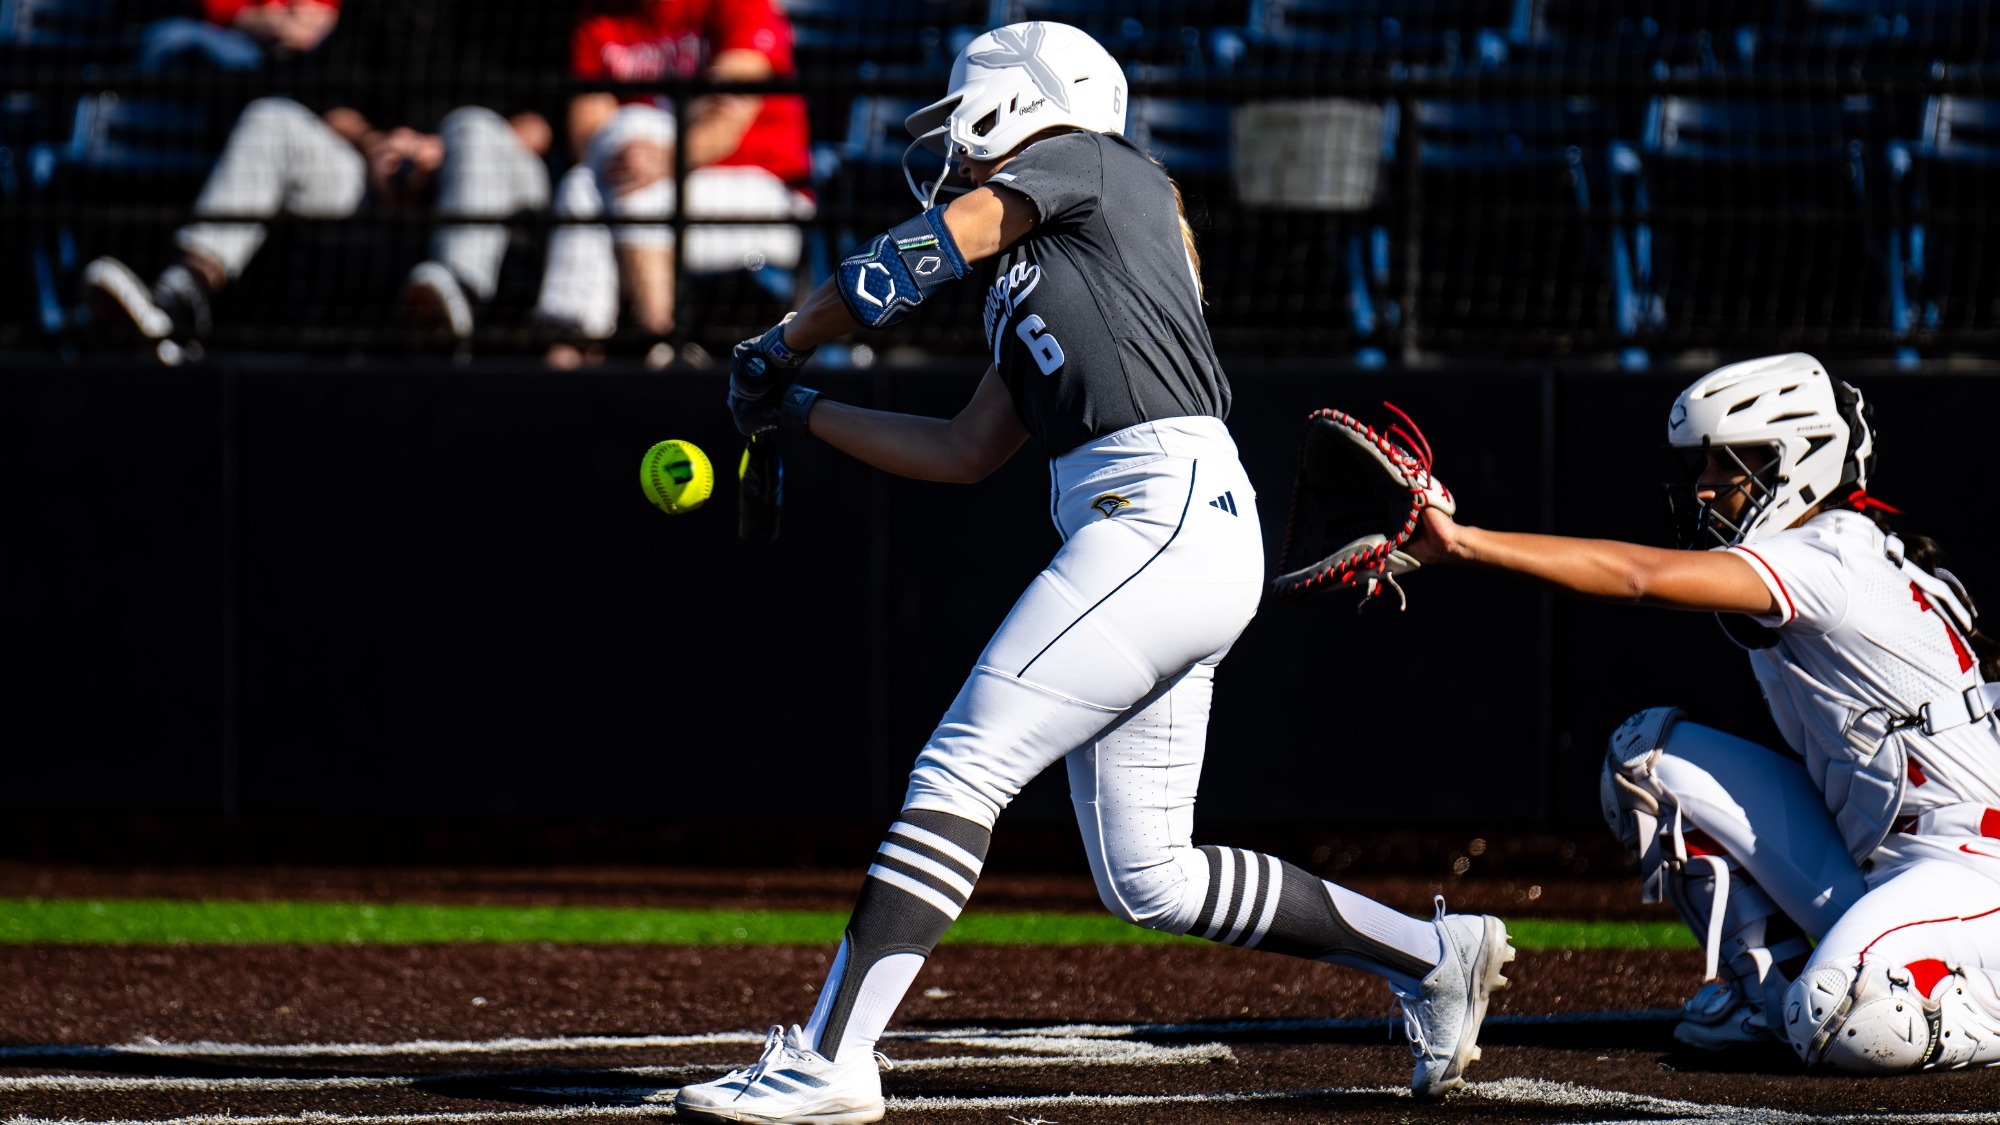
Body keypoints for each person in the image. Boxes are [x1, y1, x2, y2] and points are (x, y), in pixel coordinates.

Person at [670, 22, 1514, 1124]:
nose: (958, 153)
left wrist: (784, 340)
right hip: (1166, 528)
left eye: (970, 120)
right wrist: (803, 411)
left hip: (1156, 515)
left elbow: (917, 256)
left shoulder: (1092, 161)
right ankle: (1432, 954)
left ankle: (833, 1058)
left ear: (1022, 101)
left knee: (961, 769)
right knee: (1149, 877)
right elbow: (963, 451)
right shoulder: (1047, 263)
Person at [1403, 352, 2000, 1073]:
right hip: (1880, 858)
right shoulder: (1839, 548)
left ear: (1802, 458)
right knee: (1644, 759)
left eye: (1733, 461)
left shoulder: (1830, 555)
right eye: (1707, 463)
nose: (1708, 485)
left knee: (1841, 1017)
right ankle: (1764, 993)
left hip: (1967, 871)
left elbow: (1639, 577)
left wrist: (1462, 542)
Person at [84, 5, 553, 348]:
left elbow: (543, 123)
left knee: (472, 128)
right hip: (383, 175)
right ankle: (181, 298)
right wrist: (376, 147)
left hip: (493, 173)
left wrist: (441, 150)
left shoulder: (525, 15)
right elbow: (335, 102)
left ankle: (455, 302)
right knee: (273, 119)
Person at [533, 0, 814, 367]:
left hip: (766, 195)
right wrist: (634, 150)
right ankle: (572, 360)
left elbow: (726, 113)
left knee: (630, 168)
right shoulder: (600, 15)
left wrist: (657, 151)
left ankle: (659, 342)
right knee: (581, 184)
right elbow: (587, 132)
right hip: (654, 199)